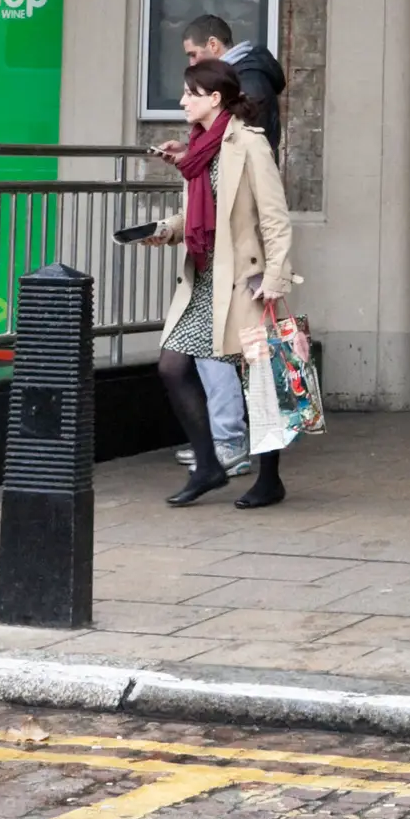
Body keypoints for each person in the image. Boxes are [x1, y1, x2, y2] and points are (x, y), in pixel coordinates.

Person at [129, 58, 299, 509]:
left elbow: (275, 218)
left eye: (191, 93)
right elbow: (197, 217)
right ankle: (208, 465)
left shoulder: (249, 145)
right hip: (204, 276)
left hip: (245, 280)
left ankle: (270, 480)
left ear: (215, 98)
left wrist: (276, 277)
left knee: (258, 378)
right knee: (172, 365)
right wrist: (165, 230)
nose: (183, 101)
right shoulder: (199, 150)